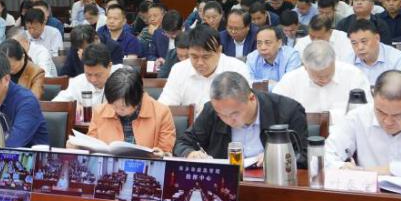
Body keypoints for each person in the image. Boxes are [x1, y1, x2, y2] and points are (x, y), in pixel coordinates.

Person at [173, 71, 307, 164]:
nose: (228, 120)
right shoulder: (211, 110)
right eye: (222, 115)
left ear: (251, 98)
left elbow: (305, 156)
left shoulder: (288, 110)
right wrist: (189, 153)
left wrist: (278, 158)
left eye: (234, 114)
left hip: (273, 183)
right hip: (226, 183)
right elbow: (182, 143)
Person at [273, 40, 370, 129]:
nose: (324, 79)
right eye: (318, 76)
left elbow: (368, 110)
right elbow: (274, 111)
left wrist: (330, 117)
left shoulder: (353, 75)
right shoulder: (291, 80)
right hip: (303, 136)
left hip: (348, 134)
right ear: (305, 67)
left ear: (334, 62)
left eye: (328, 74)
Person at [159, 25, 251, 116]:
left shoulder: (237, 69)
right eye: (194, 57)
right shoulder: (179, 69)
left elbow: (244, 108)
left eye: (206, 57)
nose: (200, 63)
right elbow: (164, 108)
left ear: (219, 50)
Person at [82, 67, 176, 153]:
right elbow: (91, 145)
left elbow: (165, 151)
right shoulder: (99, 112)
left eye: (123, 107)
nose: (118, 110)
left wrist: (161, 154)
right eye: (113, 105)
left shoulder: (161, 113)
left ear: (138, 99)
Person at [53, 44, 122, 118]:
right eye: (88, 74)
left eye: (98, 75)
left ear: (109, 66)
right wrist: (72, 106)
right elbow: (55, 104)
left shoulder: (124, 78)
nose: (93, 80)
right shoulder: (78, 82)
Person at [347, 19, 401, 86]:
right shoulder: (348, 61)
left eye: (364, 41)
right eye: (354, 43)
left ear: (377, 38)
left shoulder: (397, 59)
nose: (360, 47)